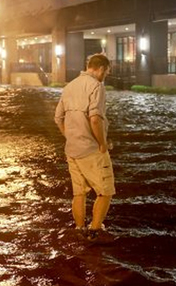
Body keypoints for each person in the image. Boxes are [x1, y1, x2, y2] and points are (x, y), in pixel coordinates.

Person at [54, 53, 114, 241]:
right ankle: (95, 230)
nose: (106, 76)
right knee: (105, 191)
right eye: (107, 72)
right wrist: (102, 144)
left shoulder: (69, 86)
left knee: (79, 193)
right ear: (101, 69)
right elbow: (95, 119)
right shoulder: (97, 86)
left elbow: (57, 118)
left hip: (72, 149)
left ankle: (80, 229)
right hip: (91, 150)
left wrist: (70, 136)